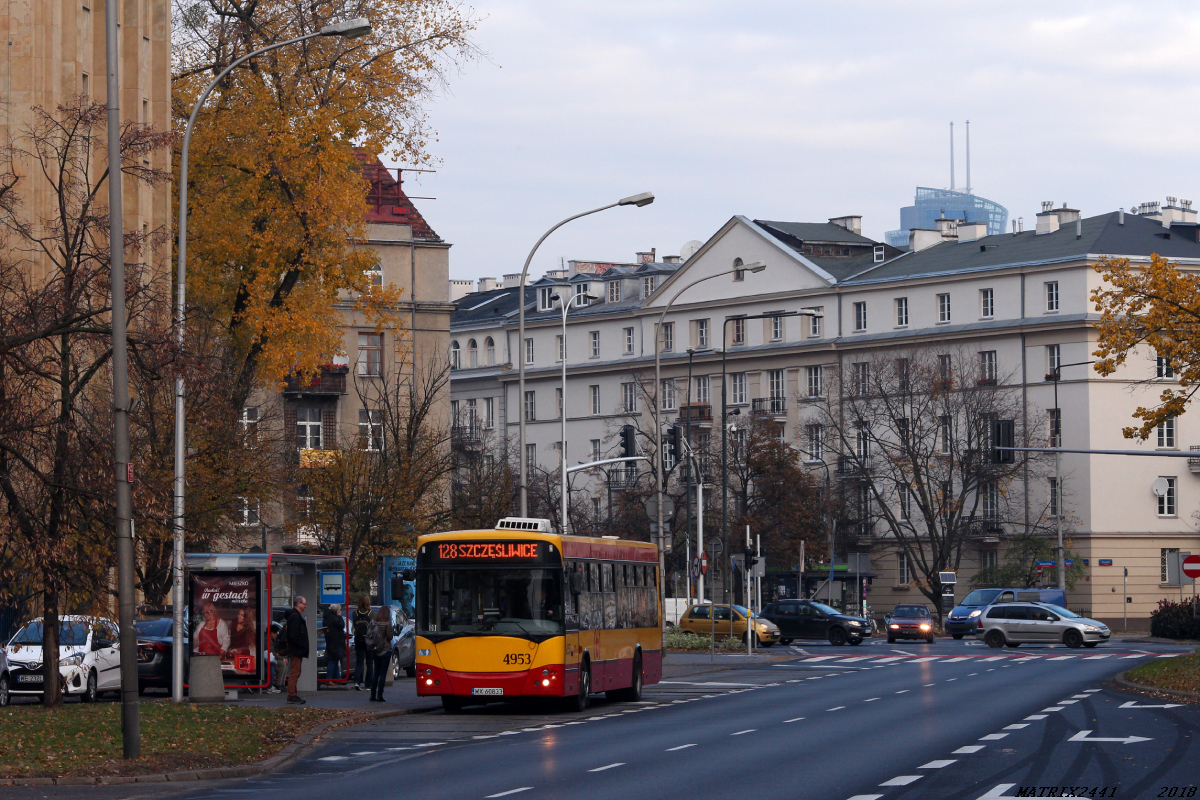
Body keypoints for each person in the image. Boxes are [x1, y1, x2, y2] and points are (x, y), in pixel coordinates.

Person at [365, 606, 394, 702]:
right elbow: (390, 636)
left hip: (375, 649)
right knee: (383, 674)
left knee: (376, 672)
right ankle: (380, 695)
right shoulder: (387, 623)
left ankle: (372, 695)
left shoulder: (373, 622)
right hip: (385, 649)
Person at [284, 596, 309, 704]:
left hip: (296, 649)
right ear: (298, 604)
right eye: (304, 604)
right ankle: (291, 695)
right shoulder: (295, 617)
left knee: (296, 672)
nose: (305, 606)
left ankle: (293, 693)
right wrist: (300, 645)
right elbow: (293, 635)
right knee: (295, 672)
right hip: (296, 649)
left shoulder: (294, 616)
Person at [352, 596, 373, 690]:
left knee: (359, 662)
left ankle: (357, 682)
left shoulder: (355, 614)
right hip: (368, 640)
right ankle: (368, 684)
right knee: (369, 663)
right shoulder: (371, 614)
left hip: (358, 639)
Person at [323, 604, 346, 681]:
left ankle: (338, 678)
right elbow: (341, 625)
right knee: (333, 660)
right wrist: (339, 616)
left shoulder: (327, 617)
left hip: (330, 640)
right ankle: (329, 678)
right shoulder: (334, 618)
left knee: (335, 659)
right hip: (336, 641)